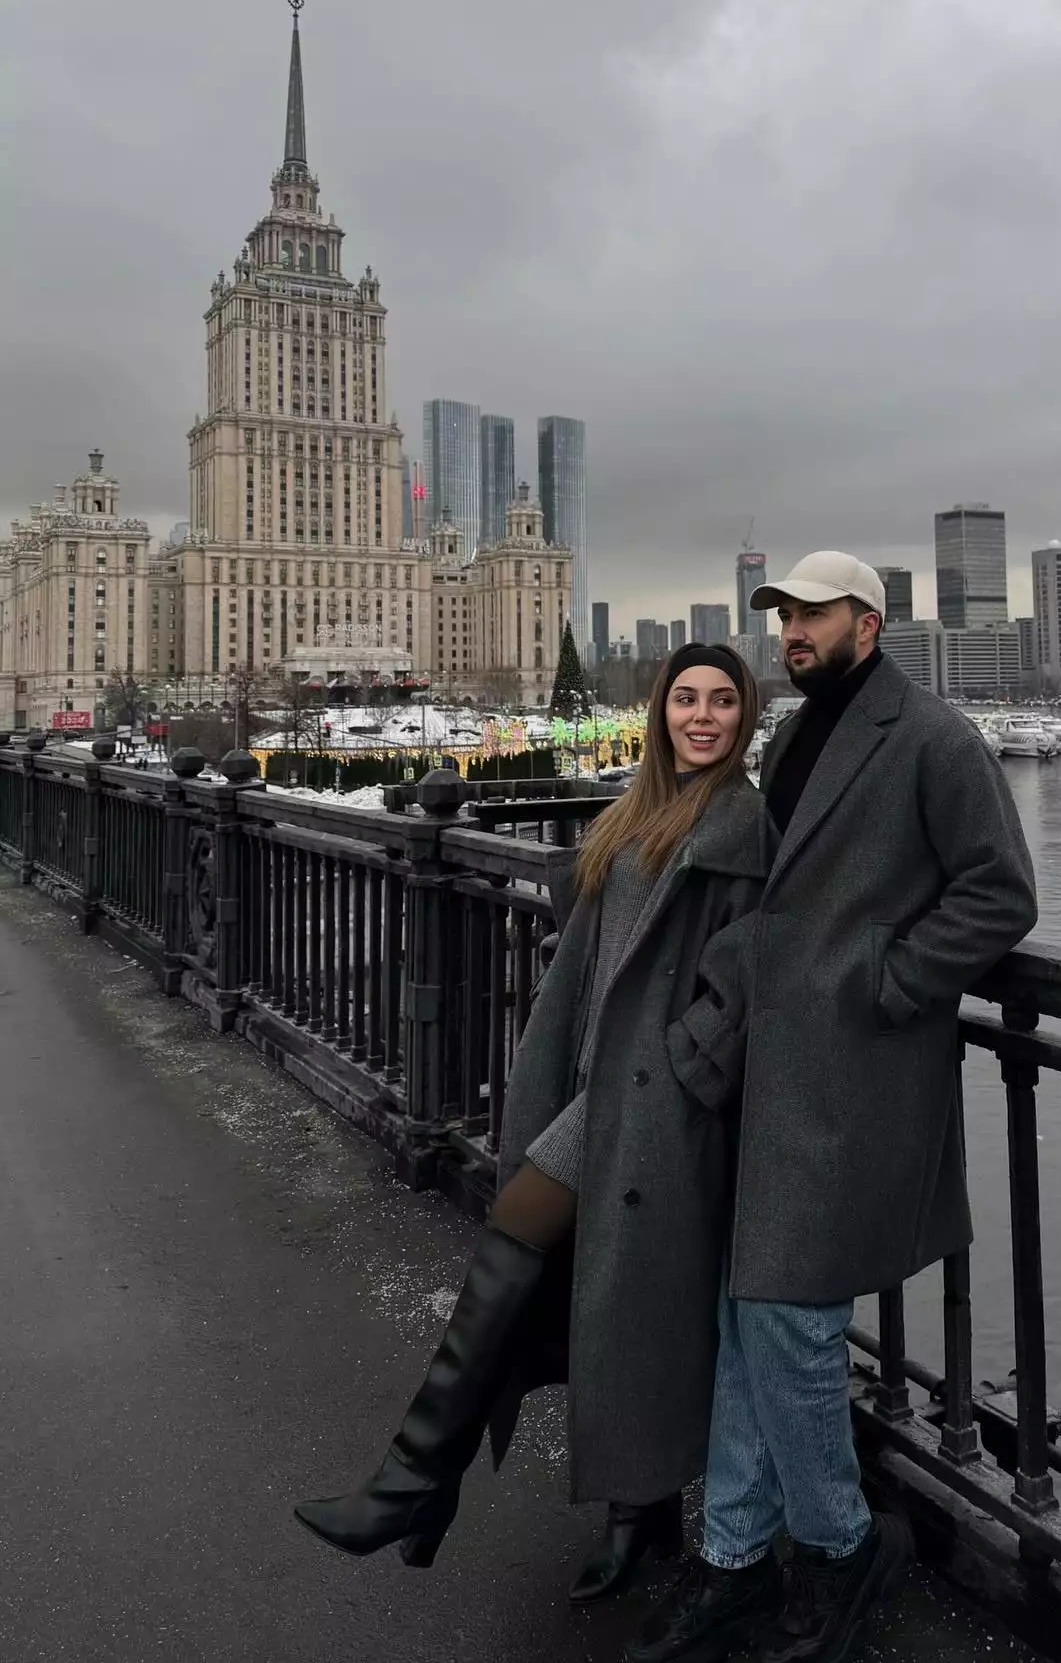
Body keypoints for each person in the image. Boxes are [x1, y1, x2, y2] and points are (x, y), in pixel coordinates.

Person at [295, 644, 775, 1602]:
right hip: (599, 1088)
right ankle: (629, 1515)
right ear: (660, 712)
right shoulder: (638, 810)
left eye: (723, 701)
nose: (702, 717)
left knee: (547, 1253)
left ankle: (415, 1483)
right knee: (610, 1299)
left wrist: (691, 1062)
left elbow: (754, 972)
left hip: (657, 1107)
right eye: (685, 699)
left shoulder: (745, 827)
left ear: (745, 717)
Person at [628, 554, 1038, 1663]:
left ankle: (844, 1545)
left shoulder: (935, 739)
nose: (793, 632)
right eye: (784, 616)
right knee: (746, 1316)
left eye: (813, 614)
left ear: (870, 621)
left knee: (787, 1318)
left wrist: (890, 980)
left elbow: (1001, 890)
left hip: (857, 1079)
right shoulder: (795, 735)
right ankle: (735, 1557)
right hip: (772, 1076)